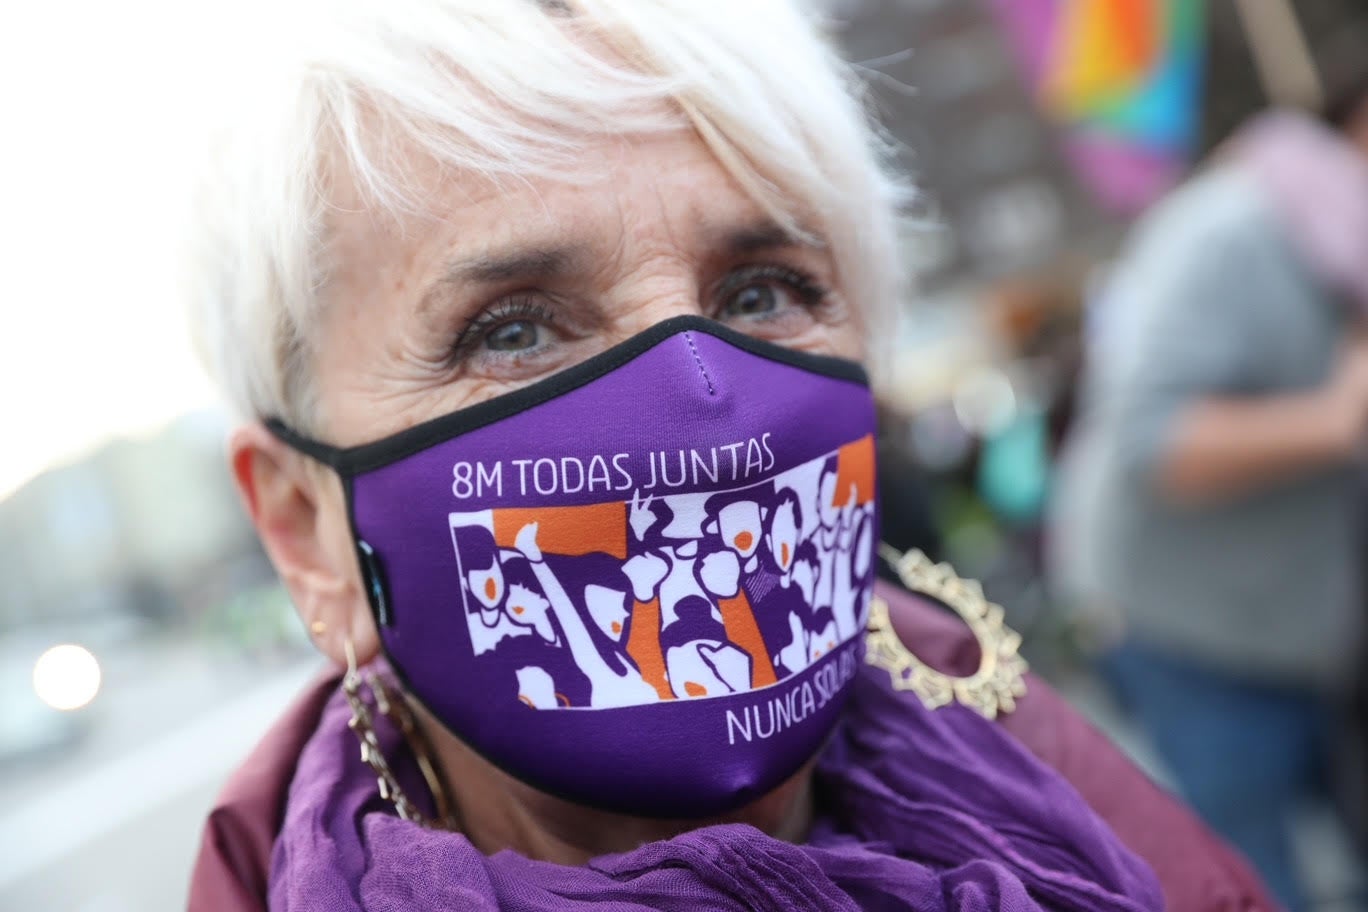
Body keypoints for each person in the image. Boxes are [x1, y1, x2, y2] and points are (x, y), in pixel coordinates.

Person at [184, 2, 1273, 910]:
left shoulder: (1076, 808)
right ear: (302, 528)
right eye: (511, 328)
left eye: (762, 294)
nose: (704, 402)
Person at [1049, 36, 1368, 912]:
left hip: (1310, 630)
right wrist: (1337, 419)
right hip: (1190, 634)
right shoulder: (1230, 230)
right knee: (1251, 879)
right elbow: (1157, 446)